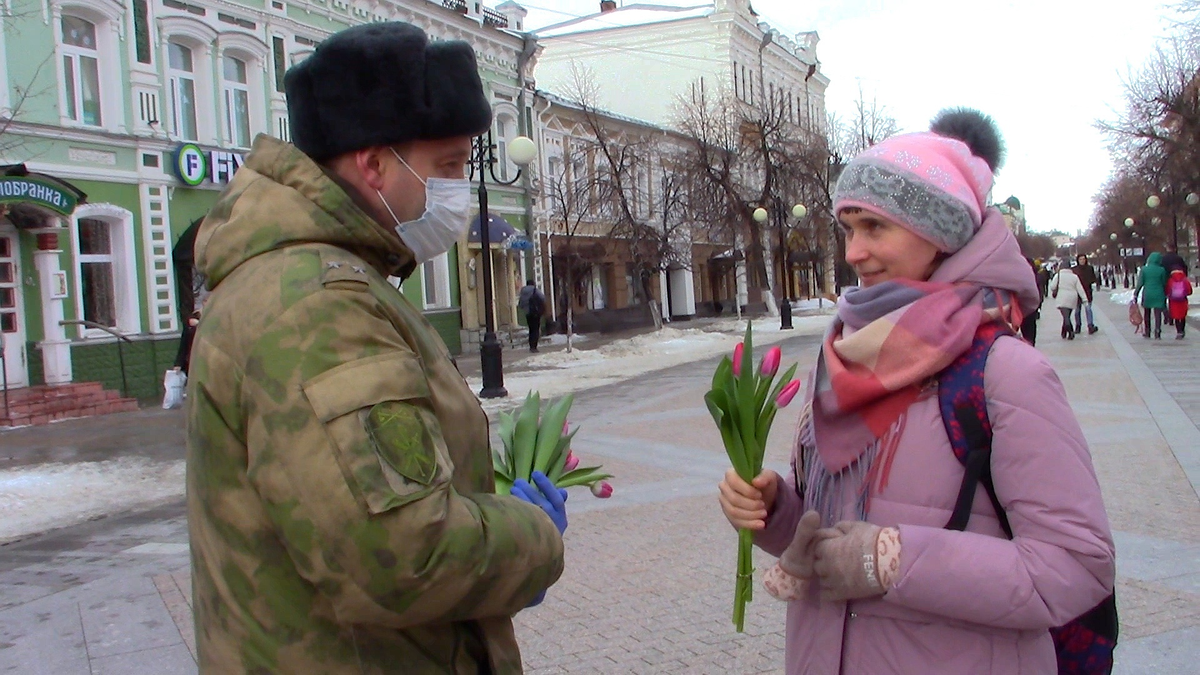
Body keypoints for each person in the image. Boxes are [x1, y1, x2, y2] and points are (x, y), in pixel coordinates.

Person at [185, 22, 567, 674]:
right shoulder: (316, 307)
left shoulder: (322, 279)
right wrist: (530, 537)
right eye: (446, 166)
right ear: (373, 164)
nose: (458, 192)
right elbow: (402, 557)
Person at [717, 109, 1114, 674]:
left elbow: (1076, 566)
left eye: (875, 227)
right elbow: (832, 533)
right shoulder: (842, 356)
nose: (853, 252)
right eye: (848, 227)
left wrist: (894, 561)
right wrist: (776, 511)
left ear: (939, 233)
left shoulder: (1006, 372)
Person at [1135, 252, 1169, 340]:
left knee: (1147, 313)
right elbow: (1164, 283)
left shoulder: (1144, 269)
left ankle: (1147, 331)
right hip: (1159, 293)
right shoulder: (1161, 270)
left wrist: (1136, 293)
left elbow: (1140, 283)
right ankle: (1157, 331)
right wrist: (1166, 293)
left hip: (1148, 294)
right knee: (1158, 314)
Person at [1072, 254, 1099, 335]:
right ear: (1078, 260)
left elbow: (1093, 278)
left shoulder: (1089, 268)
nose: (1082, 261)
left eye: (1083, 259)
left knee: (1088, 309)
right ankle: (1078, 325)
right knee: (1077, 310)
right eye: (1080, 259)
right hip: (1077, 293)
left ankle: (1090, 325)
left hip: (1087, 292)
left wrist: (1089, 282)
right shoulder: (1074, 269)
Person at [518, 279, 546, 352]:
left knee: (531, 329)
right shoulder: (535, 290)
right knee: (535, 329)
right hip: (535, 312)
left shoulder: (523, 292)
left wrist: (526, 307)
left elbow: (520, 304)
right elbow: (542, 298)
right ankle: (534, 347)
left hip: (527, 313)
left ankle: (531, 346)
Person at [1166, 267, 1193, 339]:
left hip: (1173, 301)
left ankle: (1179, 331)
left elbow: (1167, 291)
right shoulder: (1185, 280)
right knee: (1182, 316)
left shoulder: (1170, 280)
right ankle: (1182, 330)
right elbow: (1189, 291)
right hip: (1183, 300)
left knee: (1176, 316)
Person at [1020, 256, 1041, 346]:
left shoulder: (1036, 276)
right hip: (1022, 305)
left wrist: (1039, 303)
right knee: (1025, 325)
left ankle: (1030, 343)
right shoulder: (1019, 276)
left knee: (1030, 325)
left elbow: (1039, 289)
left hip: (1031, 306)